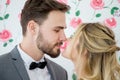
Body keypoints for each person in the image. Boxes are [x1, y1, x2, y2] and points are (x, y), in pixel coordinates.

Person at [0, 0, 70, 80]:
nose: (64, 38)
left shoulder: (61, 73)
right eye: (56, 30)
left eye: (63, 30)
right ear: (33, 28)